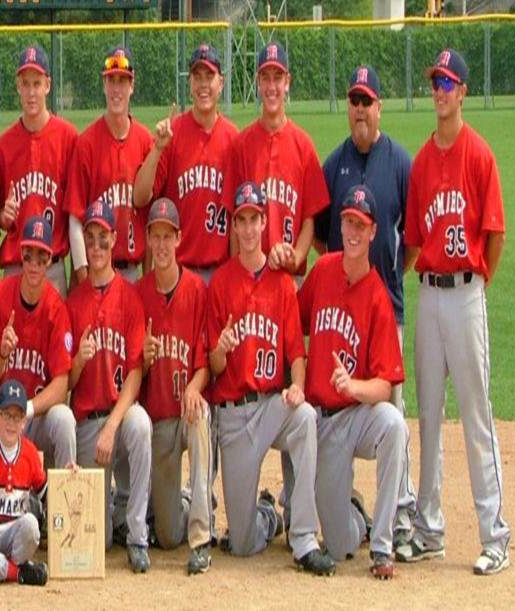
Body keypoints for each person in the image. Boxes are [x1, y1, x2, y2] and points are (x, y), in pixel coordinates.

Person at [399, 48, 511, 576]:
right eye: (435, 82)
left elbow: (494, 237)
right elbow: (416, 242)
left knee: (475, 415)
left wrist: (475, 281)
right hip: (430, 294)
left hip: (466, 294)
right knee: (428, 414)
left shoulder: (480, 155)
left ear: (463, 91)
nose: (440, 90)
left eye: (448, 83)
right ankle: (430, 529)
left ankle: (495, 535)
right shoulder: (422, 161)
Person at [207, 181, 334, 576]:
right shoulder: (221, 283)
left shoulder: (282, 284)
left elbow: (297, 352)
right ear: (233, 226)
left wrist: (297, 384)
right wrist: (221, 350)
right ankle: (267, 515)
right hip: (233, 416)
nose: (247, 229)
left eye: (254, 219)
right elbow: (211, 368)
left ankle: (304, 539)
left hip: (270, 406)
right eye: (241, 220)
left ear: (265, 223)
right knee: (242, 544)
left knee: (305, 417)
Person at [316, 65, 416, 553]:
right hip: (340, 298)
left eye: (367, 100)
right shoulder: (334, 163)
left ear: (380, 106)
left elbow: (411, 238)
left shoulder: (399, 161)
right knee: (338, 404)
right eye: (353, 100)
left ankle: (397, 513)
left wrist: (388, 274)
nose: (359, 109)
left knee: (391, 410)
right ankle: (348, 506)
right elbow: (318, 233)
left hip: (384, 303)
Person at [301, 185, 408, 579]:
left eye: (360, 225)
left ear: (373, 231)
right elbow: (294, 326)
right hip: (321, 421)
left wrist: (353, 387)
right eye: (348, 221)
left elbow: (386, 387)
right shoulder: (324, 271)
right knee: (341, 546)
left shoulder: (378, 296)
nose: (352, 231)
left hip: (357, 416)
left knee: (394, 424)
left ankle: (382, 545)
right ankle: (357, 518)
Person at [66, 199, 152, 573]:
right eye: (91, 239)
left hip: (117, 418)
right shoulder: (73, 302)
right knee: (95, 542)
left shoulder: (130, 297)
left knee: (140, 423)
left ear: (115, 240)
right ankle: (116, 511)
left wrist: (113, 426)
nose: (97, 247)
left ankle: (136, 534)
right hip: (87, 425)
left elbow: (135, 372)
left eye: (104, 239)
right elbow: (65, 381)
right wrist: (79, 362)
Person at [135, 198, 212, 575]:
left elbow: (205, 361)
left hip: (186, 412)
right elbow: (133, 372)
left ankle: (201, 539)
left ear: (179, 239)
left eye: (169, 236)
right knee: (166, 536)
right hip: (159, 419)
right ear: (148, 240)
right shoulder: (139, 293)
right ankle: (186, 503)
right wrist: (145, 359)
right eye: (156, 236)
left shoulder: (197, 290)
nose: (162, 245)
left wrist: (195, 388)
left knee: (200, 417)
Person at [134, 43, 239, 284]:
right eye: (197, 76)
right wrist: (157, 149)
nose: (203, 84)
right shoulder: (173, 133)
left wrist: (234, 276)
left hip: (220, 272)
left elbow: (238, 218)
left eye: (209, 76)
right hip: (176, 273)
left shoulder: (233, 139)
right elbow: (140, 198)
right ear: (189, 82)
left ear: (221, 83)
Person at [226, 41, 329, 277]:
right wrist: (236, 274)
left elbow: (309, 220)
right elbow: (235, 218)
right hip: (250, 272)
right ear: (258, 82)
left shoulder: (303, 145)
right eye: (266, 77)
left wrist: (297, 258)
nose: (272, 86)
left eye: (278, 77)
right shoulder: (241, 145)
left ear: (288, 82)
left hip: (290, 275)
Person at [0, 216, 76, 473]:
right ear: (21, 254)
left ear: (50, 260)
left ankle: (60, 505)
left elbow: (61, 386)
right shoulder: (0, 295)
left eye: (42, 257)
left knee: (64, 420)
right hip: (2, 415)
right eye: (29, 256)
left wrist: (26, 410)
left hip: (35, 416)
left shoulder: (56, 309)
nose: (35, 264)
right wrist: (2, 354)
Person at [65, 46, 154, 285]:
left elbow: (150, 219)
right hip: (95, 272)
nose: (116, 89)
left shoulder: (146, 141)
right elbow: (75, 217)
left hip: (132, 270)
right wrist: (83, 275)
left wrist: (148, 276)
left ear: (132, 86)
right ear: (104, 85)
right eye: (111, 81)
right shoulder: (86, 143)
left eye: (123, 81)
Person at [0, 44, 77, 296]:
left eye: (37, 83)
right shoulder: (4, 146)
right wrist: (3, 216)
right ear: (18, 86)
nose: (31, 92)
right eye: (26, 83)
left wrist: (79, 270)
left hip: (52, 268)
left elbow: (74, 214)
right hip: (15, 268)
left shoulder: (68, 138)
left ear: (48, 85)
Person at [0, 379, 50, 586]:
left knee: (31, 524)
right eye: (7, 415)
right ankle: (19, 573)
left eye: (17, 417)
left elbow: (48, 494)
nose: (12, 423)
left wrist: (68, 477)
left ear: (24, 422)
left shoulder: (30, 452)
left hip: (17, 532)